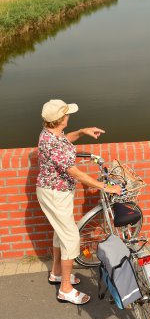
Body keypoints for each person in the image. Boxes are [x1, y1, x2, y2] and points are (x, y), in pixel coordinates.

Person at [36, 99, 122, 305]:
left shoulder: (51, 134)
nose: (69, 116)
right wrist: (104, 187)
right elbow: (74, 171)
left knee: (61, 233)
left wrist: (82, 131)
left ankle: (57, 273)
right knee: (71, 239)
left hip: (56, 192)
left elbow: (66, 141)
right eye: (67, 114)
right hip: (55, 194)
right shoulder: (52, 143)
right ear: (60, 119)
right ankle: (65, 289)